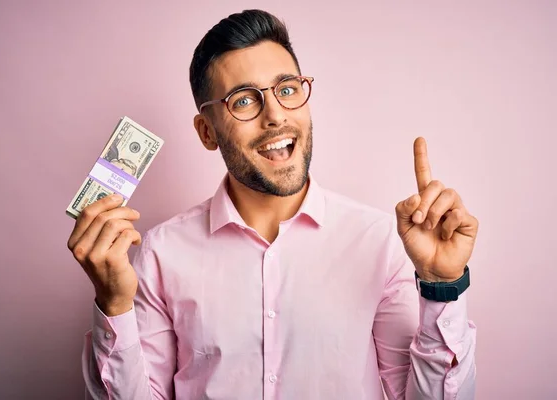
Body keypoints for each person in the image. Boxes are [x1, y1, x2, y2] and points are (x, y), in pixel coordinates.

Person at [67, 9, 478, 400]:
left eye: (287, 89)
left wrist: (443, 285)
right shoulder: (160, 254)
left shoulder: (379, 243)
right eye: (244, 100)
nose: (276, 115)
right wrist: (114, 304)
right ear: (207, 131)